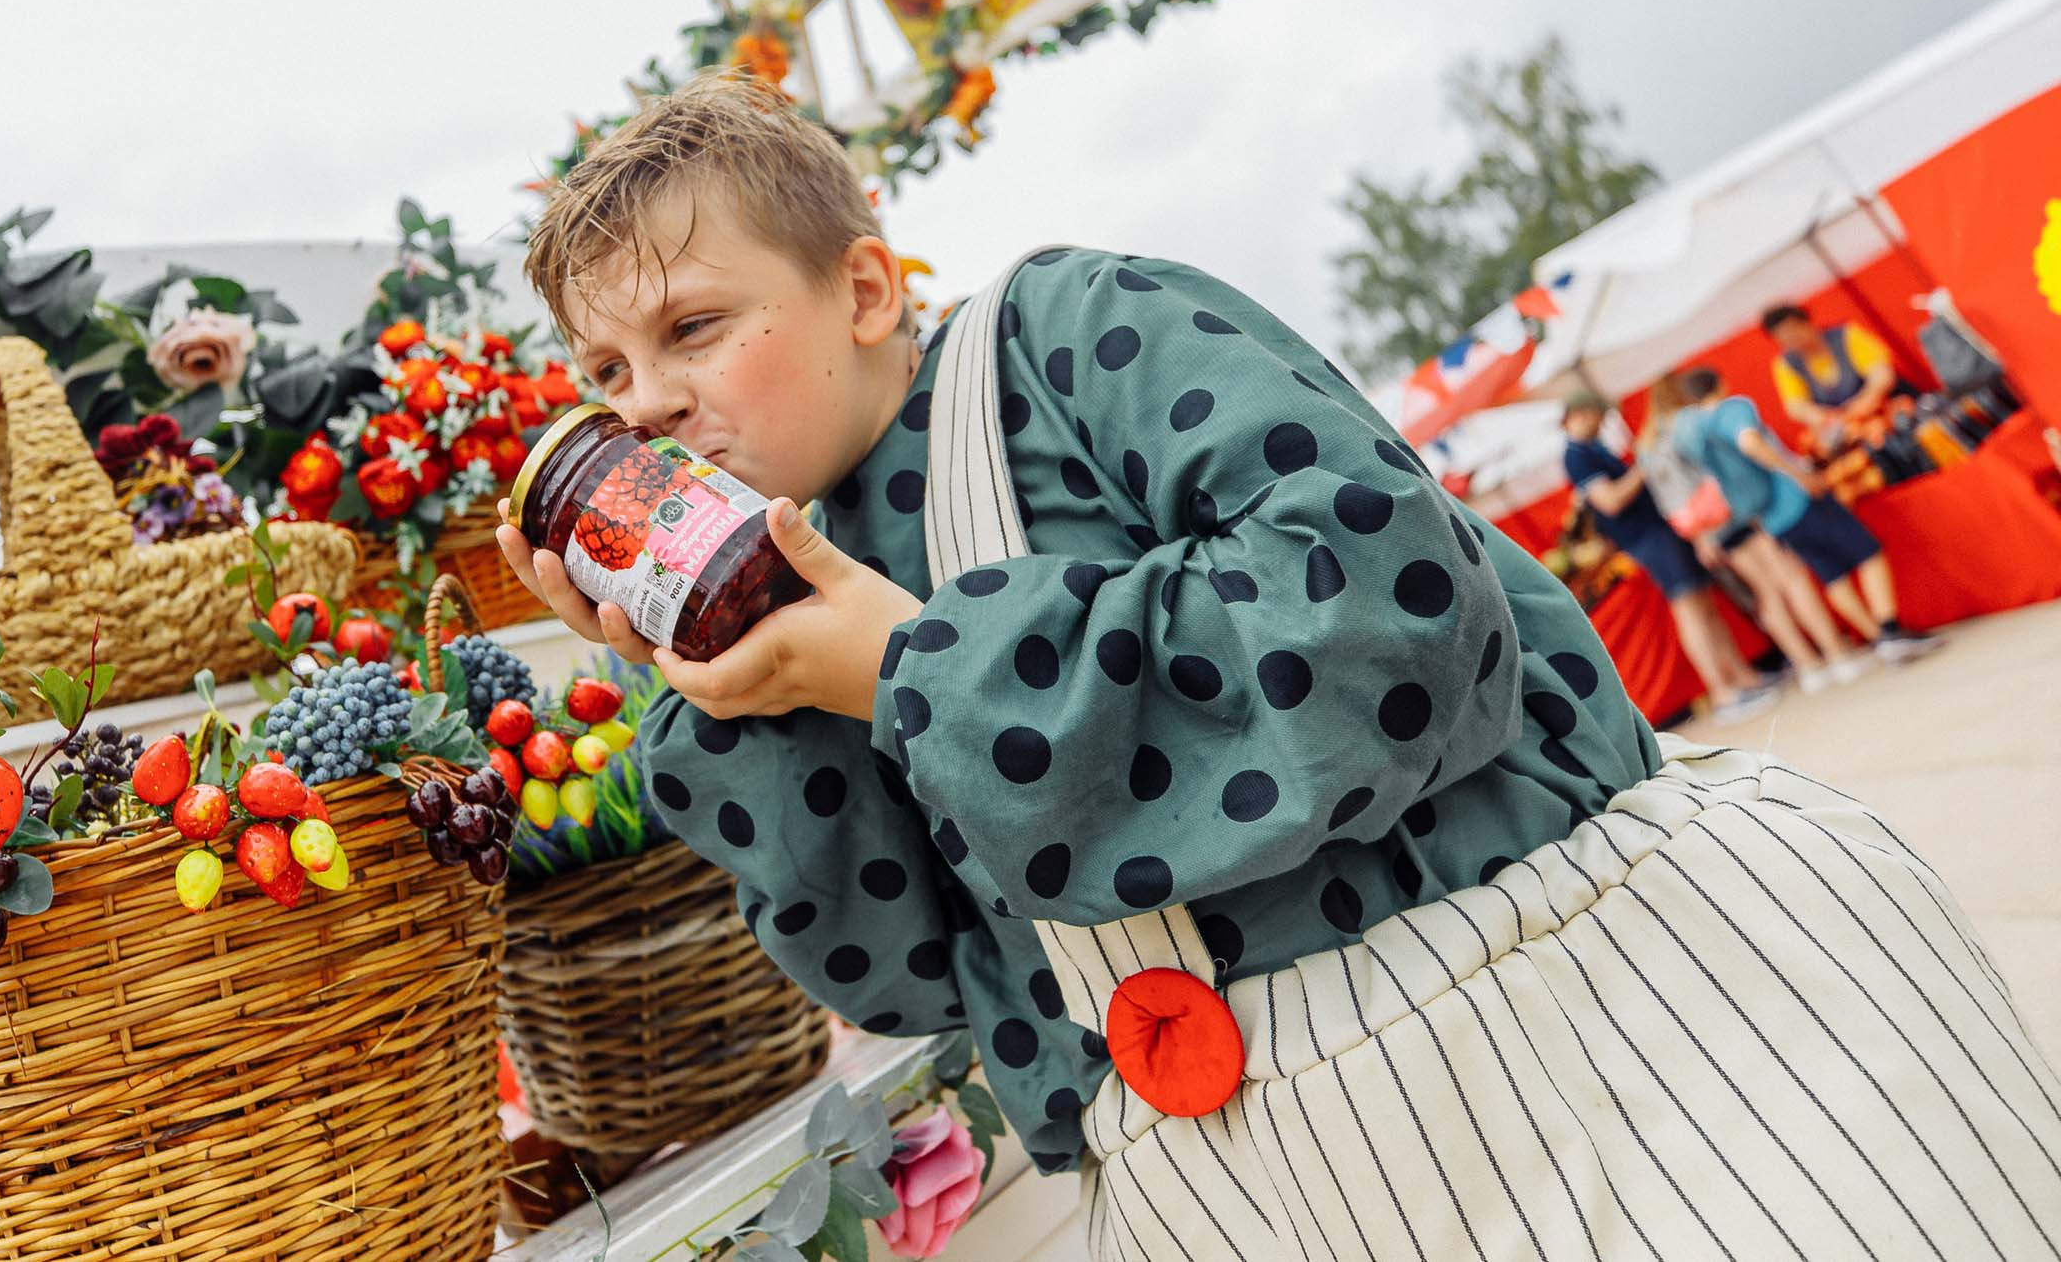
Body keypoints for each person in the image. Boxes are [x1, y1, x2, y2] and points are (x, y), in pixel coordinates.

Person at [496, 73, 2058, 1258]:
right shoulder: (790, 586)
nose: (647, 404)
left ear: (862, 287)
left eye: (696, 326)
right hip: (1239, 1179)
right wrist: (730, 696)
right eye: (607, 373)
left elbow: (1385, 605)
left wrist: (916, 662)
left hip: (1597, 1029)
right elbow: (907, 968)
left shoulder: (1069, 336)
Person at [1673, 366, 1944, 666]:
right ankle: (1889, 630)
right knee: (1867, 553)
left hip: (1770, 517)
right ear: (1720, 383)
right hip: (1796, 499)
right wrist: (1798, 476)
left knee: (1832, 575)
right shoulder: (1732, 409)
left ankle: (1879, 639)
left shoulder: (1698, 432)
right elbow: (1750, 443)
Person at [1558, 391, 1773, 723]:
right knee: (1690, 608)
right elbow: (1610, 500)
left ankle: (1743, 677)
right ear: (1582, 414)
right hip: (1647, 539)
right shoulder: (1576, 457)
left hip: (1659, 532)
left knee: (1705, 605)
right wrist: (1644, 467)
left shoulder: (1591, 450)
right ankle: (1723, 691)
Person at [1762, 302, 1901, 456]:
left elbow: (1882, 376)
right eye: (1785, 340)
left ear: (1807, 323)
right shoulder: (1786, 365)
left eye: (1795, 332)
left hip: (1878, 407)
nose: (1794, 342)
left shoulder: (1847, 336)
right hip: (1837, 423)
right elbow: (1796, 406)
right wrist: (1823, 418)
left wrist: (1865, 401)